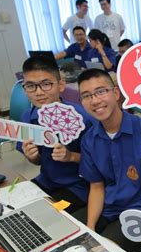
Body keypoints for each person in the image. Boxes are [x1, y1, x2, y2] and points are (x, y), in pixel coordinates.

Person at [75, 68, 141, 252]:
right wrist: (89, 228)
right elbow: (96, 187)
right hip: (109, 208)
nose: (95, 100)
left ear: (116, 93)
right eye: (86, 96)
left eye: (101, 91)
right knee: (72, 237)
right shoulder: (89, 139)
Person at [17, 56, 93, 214]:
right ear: (24, 89)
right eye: (31, 86)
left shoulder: (82, 118)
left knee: (47, 214)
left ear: (61, 85)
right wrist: (32, 157)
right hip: (46, 181)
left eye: (46, 84)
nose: (39, 92)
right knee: (17, 209)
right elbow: (37, 162)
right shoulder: (27, 117)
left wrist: (70, 156)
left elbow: (100, 163)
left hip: (78, 188)